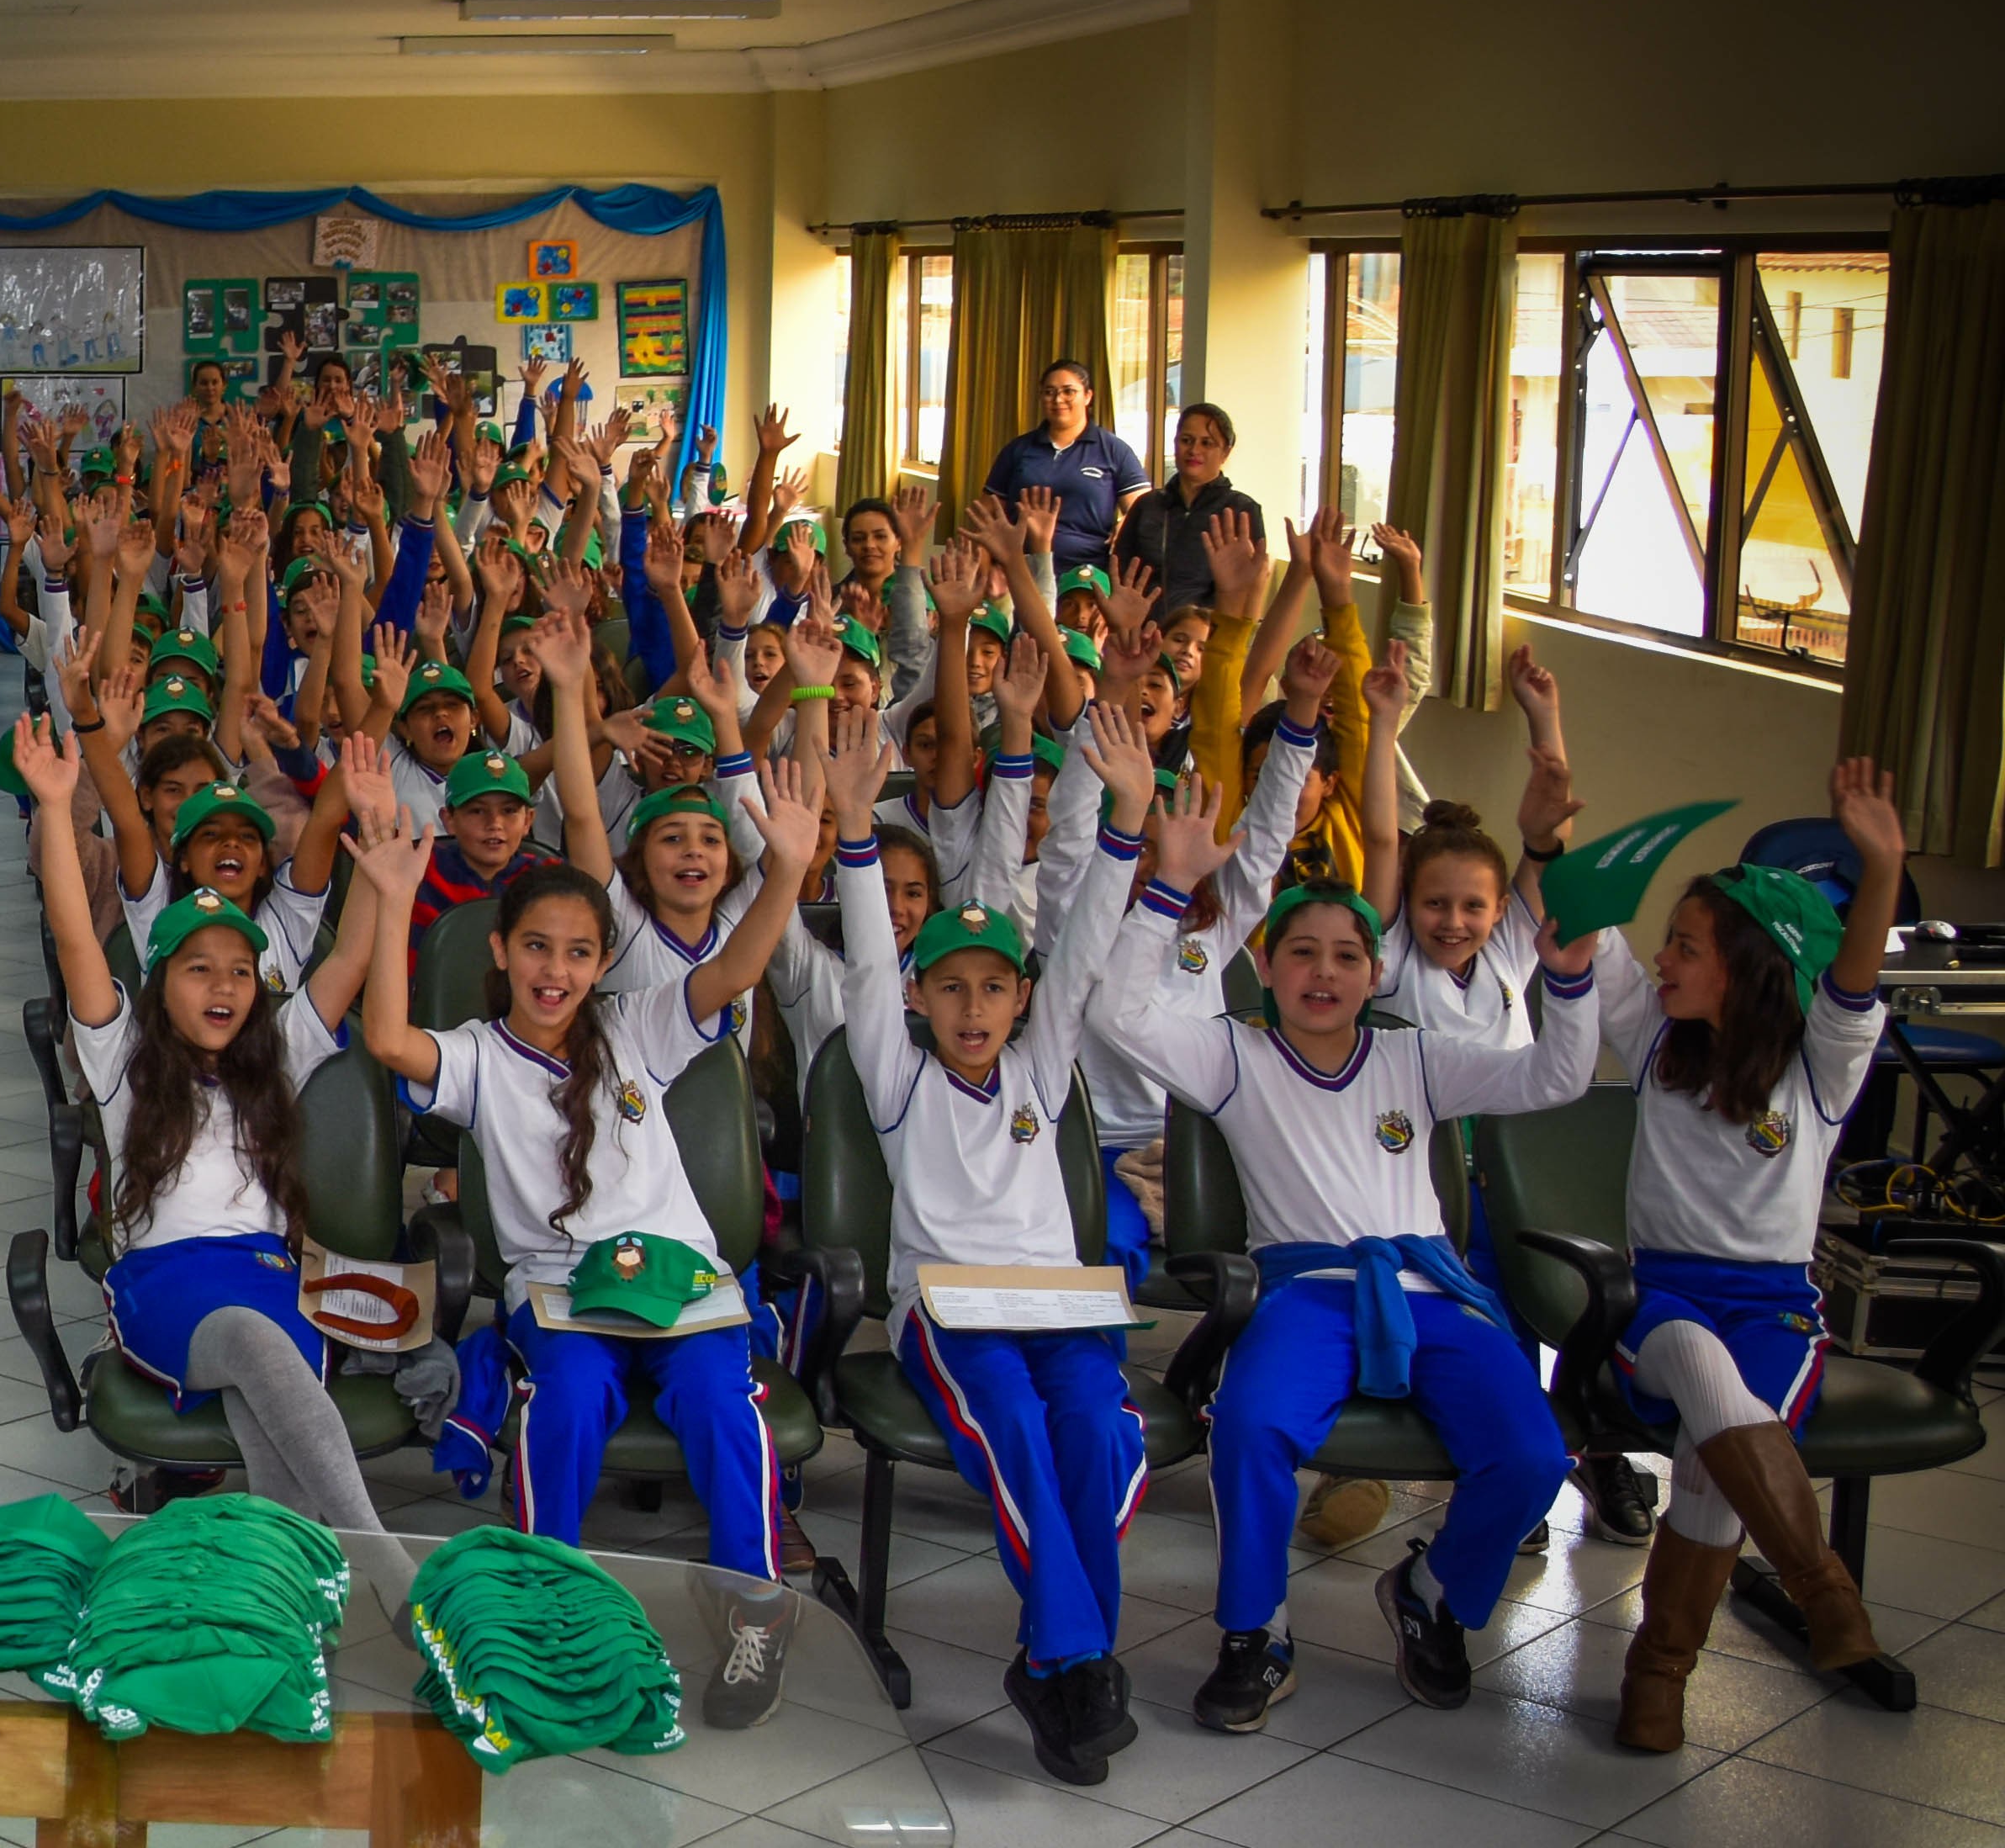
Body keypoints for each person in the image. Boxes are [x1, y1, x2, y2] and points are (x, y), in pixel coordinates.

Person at [1098, 768, 1605, 1733]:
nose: (1323, 973)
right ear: (1267, 964)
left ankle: (1433, 1591)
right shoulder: (1233, 1053)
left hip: (1434, 1291)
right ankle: (1256, 1631)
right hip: (1306, 1293)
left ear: (1376, 973)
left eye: (1346, 955)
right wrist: (1169, 888)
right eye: (1301, 953)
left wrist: (1571, 978)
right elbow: (1115, 1012)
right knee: (1250, 1427)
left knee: (1535, 1451)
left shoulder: (1416, 1054)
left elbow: (1556, 1075)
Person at [347, 719, 833, 1726]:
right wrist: (391, 902)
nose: (555, 971)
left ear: (604, 959)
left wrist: (784, 871)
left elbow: (734, 973)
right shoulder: (480, 1055)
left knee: (720, 1404)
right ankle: (547, 1607)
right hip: (561, 1290)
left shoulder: (637, 1024)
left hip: (681, 1281)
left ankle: (754, 1608)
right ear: (501, 950)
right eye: (536, 947)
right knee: (565, 1400)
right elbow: (389, 1038)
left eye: (577, 952)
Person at [811, 718, 1137, 1785]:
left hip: (1060, 1306)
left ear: (1021, 1000)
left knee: (1097, 1429)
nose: (973, 1005)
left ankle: (1058, 1654)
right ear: (919, 996)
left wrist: (1128, 823)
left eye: (995, 986)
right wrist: (854, 829)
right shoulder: (899, 1081)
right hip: (951, 1312)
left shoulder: (1041, 1072)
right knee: (1018, 1430)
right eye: (949, 985)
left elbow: (1081, 955)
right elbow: (867, 963)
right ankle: (1074, 1661)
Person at [1600, 762, 1917, 1750]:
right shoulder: (1654, 1037)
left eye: (1686, 946)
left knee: (1709, 1454)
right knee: (1700, 1363)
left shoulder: (1818, 1067)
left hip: (1775, 1308)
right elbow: (1584, 925)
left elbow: (1852, 981)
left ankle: (1658, 1673)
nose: (1662, 958)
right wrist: (1544, 836)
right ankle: (1823, 1590)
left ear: (1748, 963)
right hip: (1660, 1300)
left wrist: (1883, 865)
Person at [14, 709, 387, 1536]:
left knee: (270, 1432)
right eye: (199, 969)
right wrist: (56, 805)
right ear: (161, 979)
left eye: (241, 971)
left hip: (270, 1276)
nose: (223, 986)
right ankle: (387, 1565)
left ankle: (290, 1590)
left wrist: (378, 854)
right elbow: (76, 938)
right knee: (256, 1348)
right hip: (165, 1284)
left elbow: (351, 959)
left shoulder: (279, 1051)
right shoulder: (125, 1057)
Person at [979, 358, 1143, 564]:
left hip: (1086, 571)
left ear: (1088, 396)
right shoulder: (1017, 450)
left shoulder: (1114, 450)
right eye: (1049, 392)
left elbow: (1143, 510)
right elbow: (985, 516)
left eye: (1068, 391)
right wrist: (986, 568)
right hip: (1019, 566)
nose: (1058, 399)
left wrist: (1126, 523)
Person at [1113, 400, 1262, 619]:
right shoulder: (1147, 505)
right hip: (1144, 630)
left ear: (1226, 452)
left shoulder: (1242, 511)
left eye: (1207, 443)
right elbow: (1119, 571)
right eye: (1186, 440)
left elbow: (1251, 588)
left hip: (1209, 632)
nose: (1194, 451)